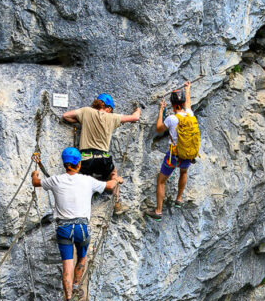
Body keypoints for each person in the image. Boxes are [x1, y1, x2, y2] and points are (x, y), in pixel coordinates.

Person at [32, 147, 122, 301]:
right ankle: (75, 289)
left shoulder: (55, 180)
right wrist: (116, 178)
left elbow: (36, 183)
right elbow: (110, 185)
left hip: (64, 229)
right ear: (79, 163)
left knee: (67, 263)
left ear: (65, 164)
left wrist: (35, 173)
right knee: (82, 257)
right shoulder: (87, 181)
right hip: (81, 228)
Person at [62, 94, 141, 212]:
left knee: (80, 179)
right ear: (108, 108)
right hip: (102, 158)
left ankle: (76, 204)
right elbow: (135, 118)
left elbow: (65, 116)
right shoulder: (112, 117)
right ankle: (117, 203)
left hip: (85, 158)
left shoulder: (86, 111)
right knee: (113, 174)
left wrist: (80, 121)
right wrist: (138, 110)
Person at [149, 80, 199, 220]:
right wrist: (187, 88)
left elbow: (159, 129)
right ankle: (179, 198)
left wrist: (161, 110)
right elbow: (188, 103)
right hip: (187, 154)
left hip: (173, 156)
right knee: (184, 172)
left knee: (161, 180)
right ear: (182, 104)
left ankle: (158, 211)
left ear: (173, 105)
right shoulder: (190, 114)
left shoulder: (171, 118)